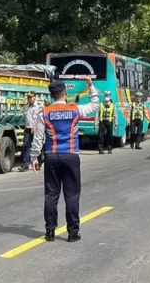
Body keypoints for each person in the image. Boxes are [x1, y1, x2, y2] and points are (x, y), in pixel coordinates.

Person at [30, 76, 99, 243]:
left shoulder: (44, 112)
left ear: (51, 95)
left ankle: (50, 232)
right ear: (65, 93)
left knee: (51, 195)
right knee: (72, 195)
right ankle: (73, 232)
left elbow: (38, 137)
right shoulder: (75, 109)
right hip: (71, 156)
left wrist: (34, 157)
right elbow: (94, 105)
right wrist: (90, 86)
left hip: (52, 157)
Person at [18, 91, 43, 172]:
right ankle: (25, 165)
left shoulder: (38, 106)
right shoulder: (26, 107)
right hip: (28, 129)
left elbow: (39, 118)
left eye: (31, 97)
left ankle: (38, 163)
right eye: (28, 97)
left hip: (36, 129)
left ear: (35, 97)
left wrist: (34, 127)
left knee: (37, 146)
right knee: (26, 146)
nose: (29, 99)